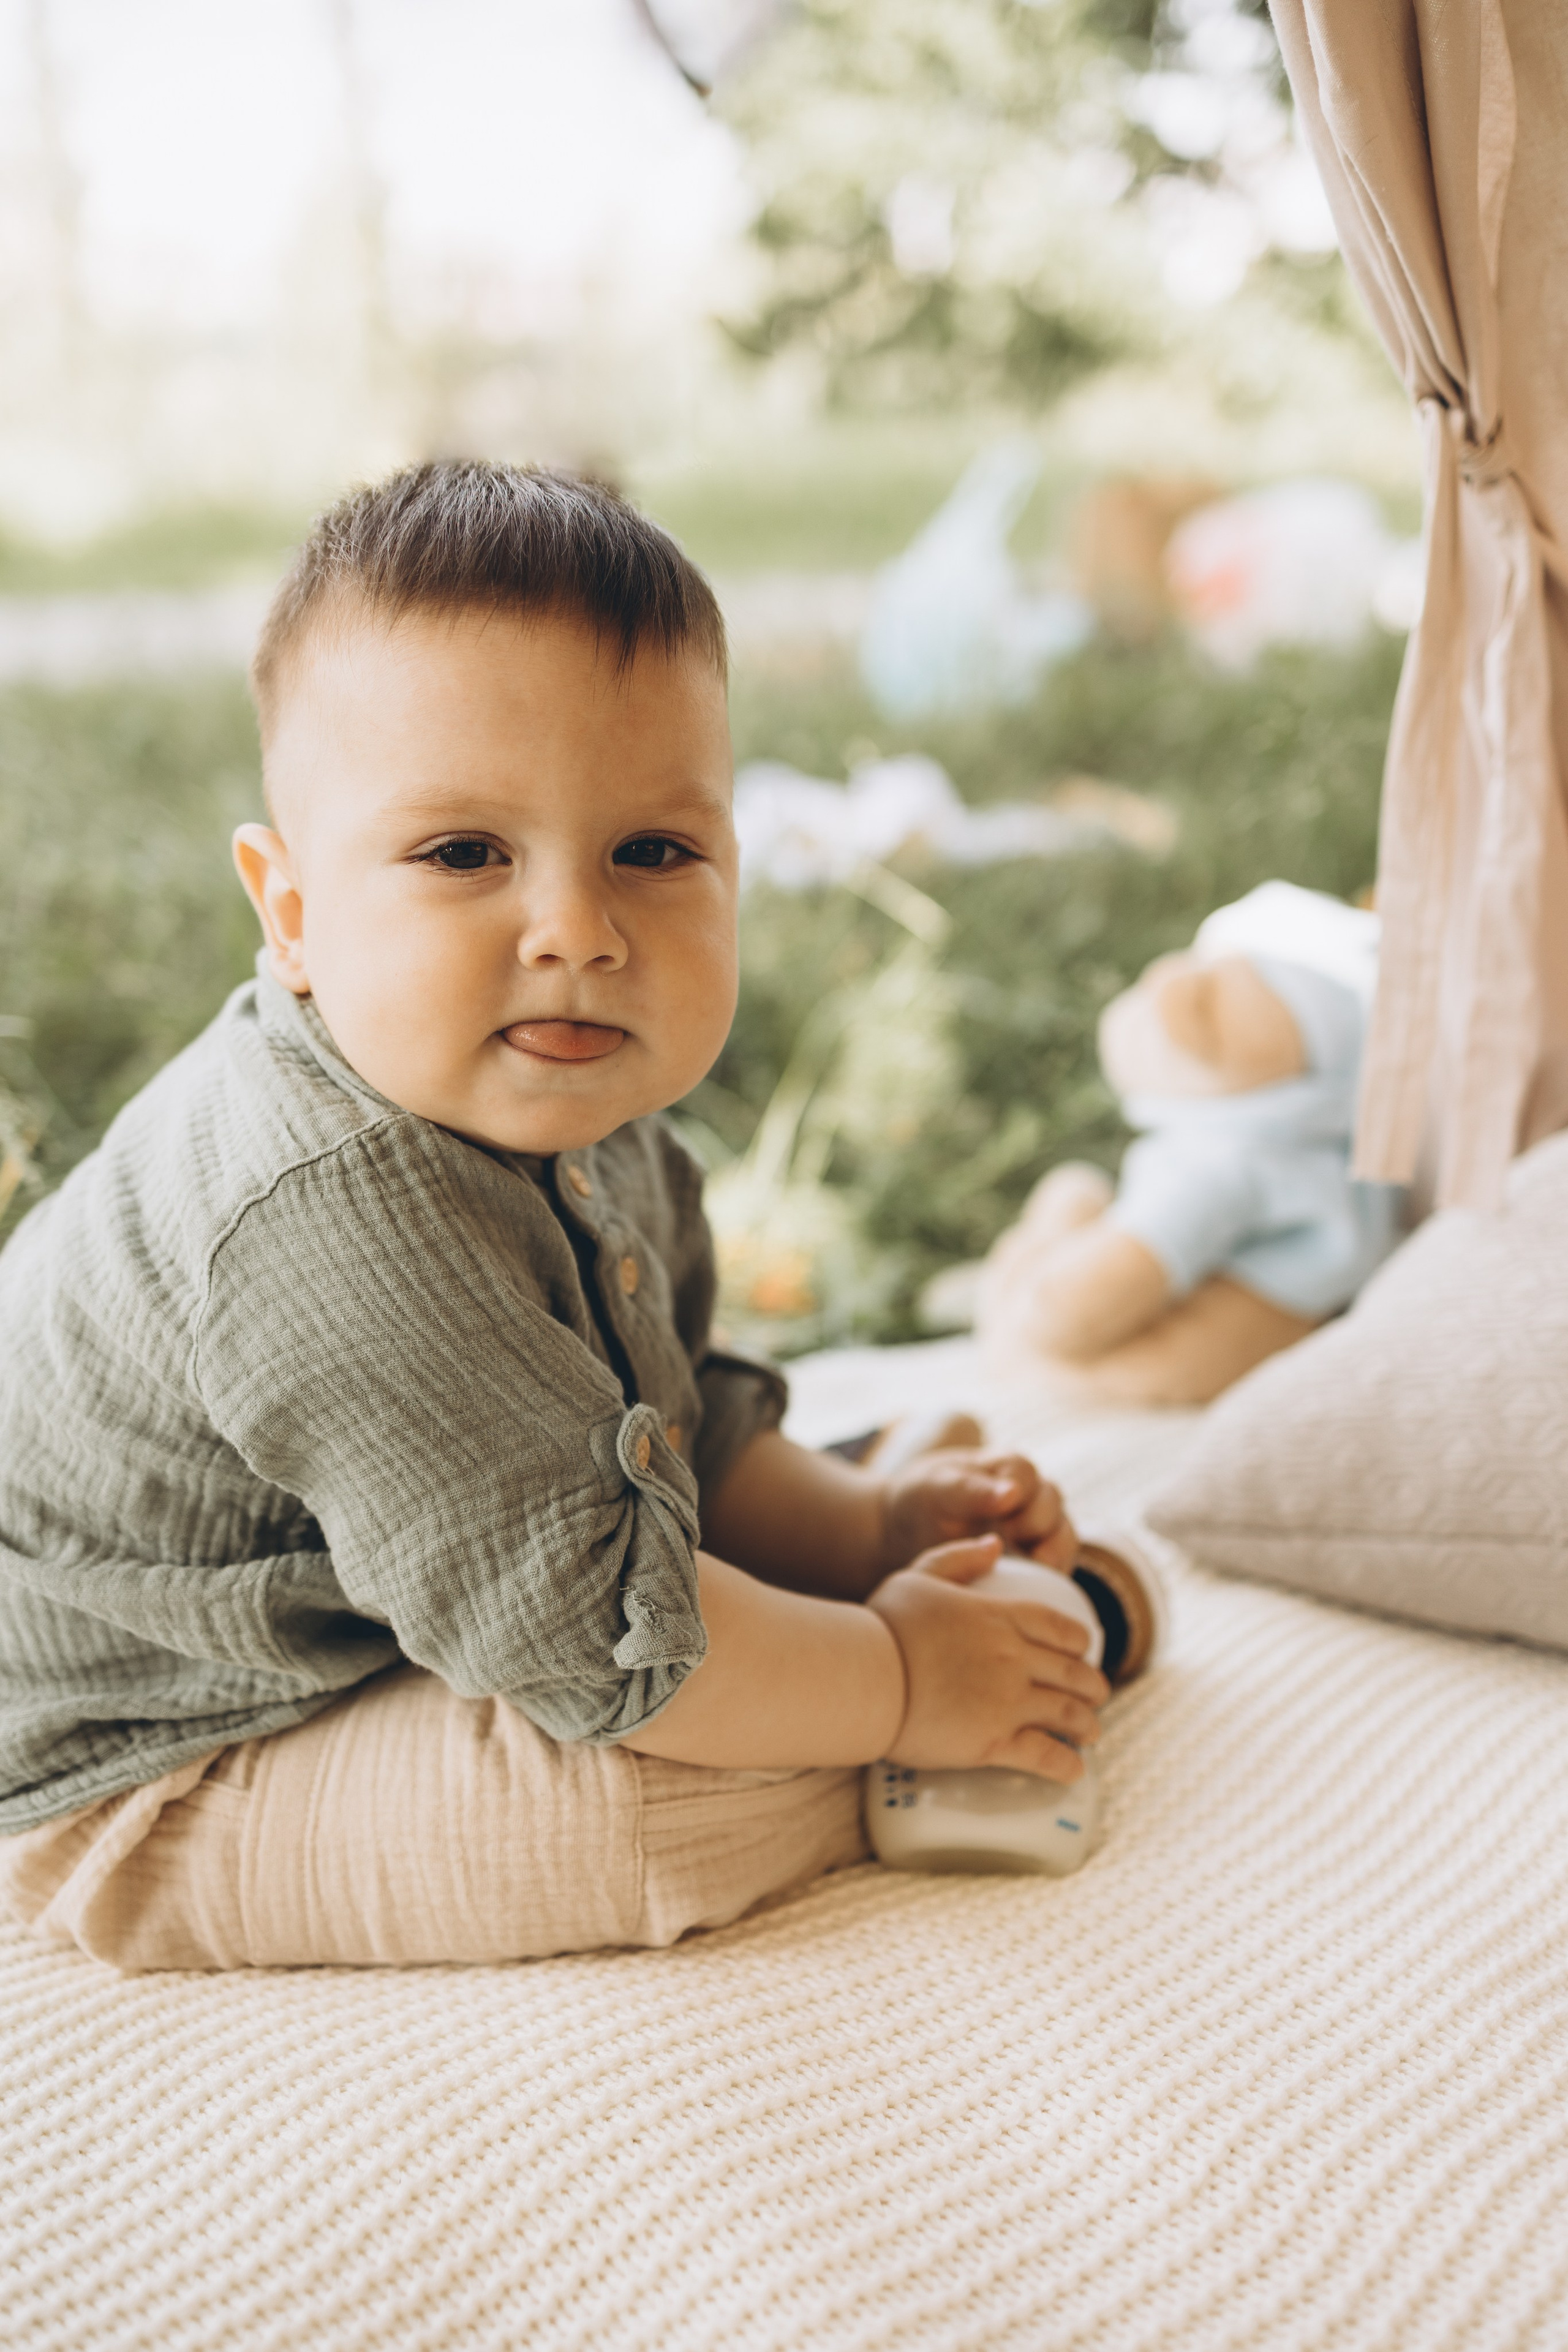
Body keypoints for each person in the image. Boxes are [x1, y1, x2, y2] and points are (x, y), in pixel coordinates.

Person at [0, 462, 1154, 1972]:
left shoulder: (569, 1101)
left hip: (421, 1583)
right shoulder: (332, 1229)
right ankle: (967, 1685)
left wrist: (861, 1532)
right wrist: (892, 1677)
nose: (580, 933)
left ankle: (928, 1614)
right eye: (463, 854)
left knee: (711, 1609)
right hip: (144, 1753)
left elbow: (670, 1423)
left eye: (654, 853)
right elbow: (620, 1659)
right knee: (635, 1809)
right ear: (289, 916)